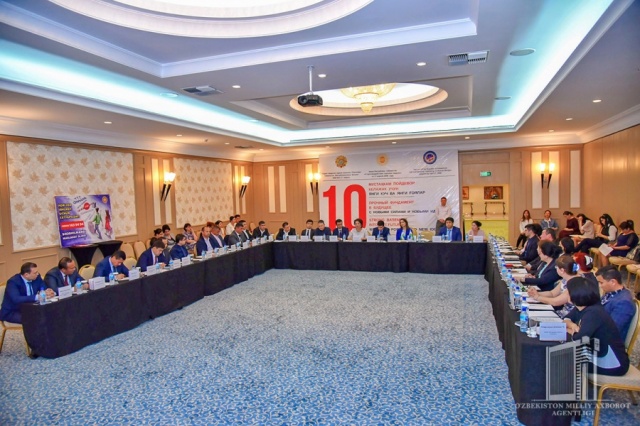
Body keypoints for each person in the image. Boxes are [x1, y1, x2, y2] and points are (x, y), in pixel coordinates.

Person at [564, 277, 629, 376]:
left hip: (612, 362)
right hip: (595, 352)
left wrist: (568, 330)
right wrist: (572, 325)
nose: (566, 293)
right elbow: (566, 319)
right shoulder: (582, 307)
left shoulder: (593, 313)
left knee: (561, 360)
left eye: (568, 291)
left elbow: (579, 339)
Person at [596, 265, 636, 338]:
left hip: (605, 341)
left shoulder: (624, 304)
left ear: (613, 282)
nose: (600, 286)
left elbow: (611, 331)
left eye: (601, 283)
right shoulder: (612, 292)